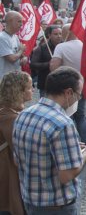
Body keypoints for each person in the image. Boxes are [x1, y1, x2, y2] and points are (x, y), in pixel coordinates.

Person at [12, 67, 86, 214]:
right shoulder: (62, 123)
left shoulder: (24, 114)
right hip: (56, 205)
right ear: (68, 93)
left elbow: (18, 159)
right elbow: (66, 175)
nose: (79, 99)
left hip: (30, 200)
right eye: (79, 94)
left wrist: (67, 148)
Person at [50, 24, 86, 144]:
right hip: (81, 84)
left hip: (65, 85)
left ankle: (70, 143)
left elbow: (54, 68)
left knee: (67, 116)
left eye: (62, 33)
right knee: (80, 116)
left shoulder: (61, 47)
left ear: (66, 33)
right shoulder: (85, 46)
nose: (61, 36)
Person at [0, 71, 32, 215]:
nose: (33, 90)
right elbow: (21, 150)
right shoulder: (10, 117)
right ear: (19, 91)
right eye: (30, 88)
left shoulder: (8, 111)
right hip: (6, 173)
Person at [30, 25, 63, 97]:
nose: (59, 36)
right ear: (49, 35)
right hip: (46, 83)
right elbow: (33, 64)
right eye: (56, 34)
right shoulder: (42, 48)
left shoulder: (64, 47)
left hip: (62, 83)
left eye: (60, 34)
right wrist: (49, 64)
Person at [0, 11, 27, 77]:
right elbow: (12, 58)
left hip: (15, 77)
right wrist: (21, 50)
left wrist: (24, 59)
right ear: (10, 21)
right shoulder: (2, 38)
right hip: (4, 79)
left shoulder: (15, 36)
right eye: (19, 21)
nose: (21, 24)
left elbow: (21, 55)